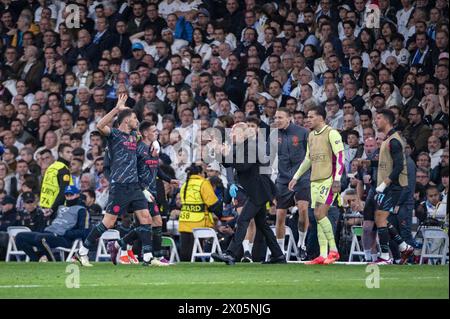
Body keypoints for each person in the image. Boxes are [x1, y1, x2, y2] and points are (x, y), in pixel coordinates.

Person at [75, 94, 160, 267]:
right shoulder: (114, 135)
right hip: (119, 186)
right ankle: (82, 252)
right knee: (109, 222)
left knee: (146, 217)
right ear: (126, 120)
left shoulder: (135, 136)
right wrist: (117, 109)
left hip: (134, 186)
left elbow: (145, 139)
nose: (137, 120)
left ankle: (148, 256)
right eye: (134, 118)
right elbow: (100, 125)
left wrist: (154, 144)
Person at [212, 122, 285, 265]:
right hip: (255, 190)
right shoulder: (239, 146)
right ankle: (278, 255)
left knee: (242, 220)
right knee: (262, 224)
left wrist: (226, 155)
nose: (231, 134)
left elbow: (242, 166)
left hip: (259, 190)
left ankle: (230, 253)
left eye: (234, 132)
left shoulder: (251, 146)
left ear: (243, 134)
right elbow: (228, 164)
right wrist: (220, 152)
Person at [108, 121, 179, 265]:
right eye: (154, 131)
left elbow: (156, 168)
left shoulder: (154, 147)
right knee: (151, 222)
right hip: (139, 191)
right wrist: (143, 190)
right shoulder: (137, 150)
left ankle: (119, 244)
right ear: (145, 133)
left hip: (152, 191)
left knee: (151, 223)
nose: (157, 133)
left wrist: (169, 179)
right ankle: (154, 257)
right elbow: (133, 172)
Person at [288, 106, 345, 265]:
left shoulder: (332, 133)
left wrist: (337, 179)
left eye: (311, 116)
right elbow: (308, 159)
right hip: (315, 180)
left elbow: (340, 156)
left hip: (329, 179)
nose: (308, 119)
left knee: (320, 214)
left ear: (321, 118)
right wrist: (296, 177)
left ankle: (333, 251)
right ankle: (323, 254)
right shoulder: (311, 135)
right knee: (319, 217)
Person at [368, 109, 414, 265]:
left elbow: (399, 166)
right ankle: (403, 246)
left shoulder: (394, 141)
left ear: (387, 121)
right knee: (381, 218)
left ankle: (386, 257)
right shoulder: (389, 139)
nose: (375, 120)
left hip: (393, 186)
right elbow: (388, 164)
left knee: (380, 218)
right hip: (389, 187)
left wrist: (384, 184)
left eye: (378, 118)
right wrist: (370, 163)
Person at [272, 108, 310, 260]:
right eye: (276, 118)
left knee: (303, 209)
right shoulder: (274, 135)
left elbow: (310, 154)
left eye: (280, 117)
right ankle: (280, 252)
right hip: (282, 178)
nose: (277, 120)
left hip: (302, 177)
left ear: (289, 118)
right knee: (280, 215)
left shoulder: (302, 132)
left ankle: (301, 244)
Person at [15, 186, 90, 262]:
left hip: (63, 238)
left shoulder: (82, 210)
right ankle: (37, 259)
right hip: (49, 233)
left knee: (40, 238)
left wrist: (66, 233)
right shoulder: (60, 207)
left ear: (77, 195)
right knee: (20, 237)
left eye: (71, 195)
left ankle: (51, 260)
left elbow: (84, 231)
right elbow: (51, 221)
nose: (69, 197)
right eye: (67, 195)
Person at [178, 163, 221, 261]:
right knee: (196, 250)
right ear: (200, 173)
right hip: (198, 222)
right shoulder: (203, 183)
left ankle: (182, 270)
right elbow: (213, 203)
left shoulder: (185, 184)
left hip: (184, 220)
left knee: (185, 252)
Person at [39, 143, 73, 217]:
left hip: (45, 208)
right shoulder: (63, 169)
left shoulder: (51, 167)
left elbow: (42, 187)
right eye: (68, 152)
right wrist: (52, 209)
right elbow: (63, 192)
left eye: (71, 152)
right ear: (60, 154)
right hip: (57, 209)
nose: (71, 155)